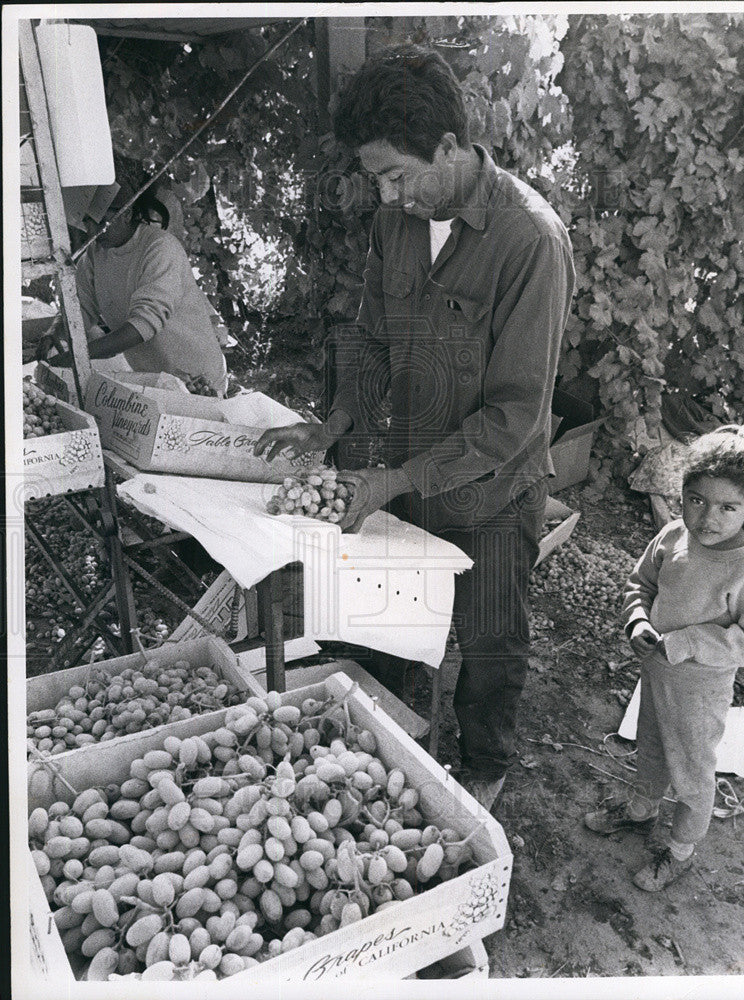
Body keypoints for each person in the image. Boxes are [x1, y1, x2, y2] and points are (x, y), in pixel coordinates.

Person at [254, 45, 575, 810]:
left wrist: (394, 479)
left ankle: (484, 768)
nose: (390, 196)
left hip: (492, 489)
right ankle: (393, 741)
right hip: (401, 469)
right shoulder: (395, 224)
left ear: (450, 148)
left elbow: (513, 415)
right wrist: (330, 426)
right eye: (376, 181)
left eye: (398, 175)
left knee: (492, 643)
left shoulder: (529, 241)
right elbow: (369, 337)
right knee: (387, 620)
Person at [584, 425, 744, 890]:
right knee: (650, 747)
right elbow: (641, 584)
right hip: (655, 676)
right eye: (697, 500)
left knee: (692, 770)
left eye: (728, 508)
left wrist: (690, 641)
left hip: (700, 692)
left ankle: (680, 851)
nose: (708, 518)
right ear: (682, 494)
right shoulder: (673, 536)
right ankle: (640, 811)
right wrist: (637, 620)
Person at [46, 161, 228, 395]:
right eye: (88, 224)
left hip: (197, 376)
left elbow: (143, 324)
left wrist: (79, 356)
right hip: (155, 377)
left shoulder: (160, 248)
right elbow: (79, 308)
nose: (92, 233)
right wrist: (54, 333)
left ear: (127, 214)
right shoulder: (95, 254)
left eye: (101, 223)